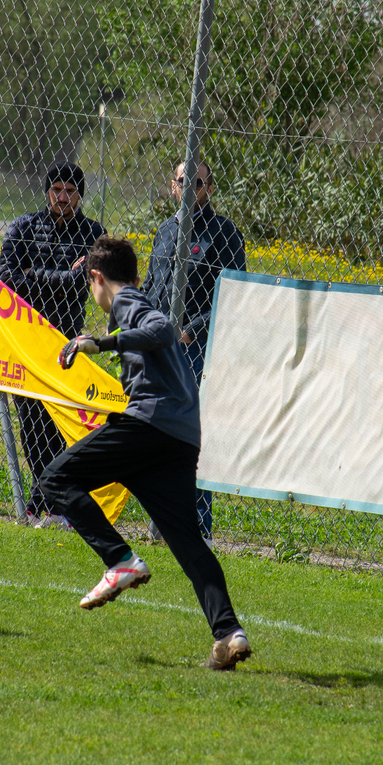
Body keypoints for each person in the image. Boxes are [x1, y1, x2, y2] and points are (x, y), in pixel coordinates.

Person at [39, 236, 253, 671]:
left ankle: (120, 561)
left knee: (56, 479)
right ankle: (229, 634)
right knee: (187, 542)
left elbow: (162, 330)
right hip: (179, 437)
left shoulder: (127, 302)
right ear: (136, 274)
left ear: (96, 278)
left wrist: (100, 343)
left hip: (151, 426)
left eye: (91, 285)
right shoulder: (135, 300)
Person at [140, 158, 246, 538]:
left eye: (197, 183)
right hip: (156, 348)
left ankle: (197, 526)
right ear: (173, 187)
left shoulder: (225, 234)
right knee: (155, 435)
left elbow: (233, 295)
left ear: (210, 189)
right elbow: (152, 286)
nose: (189, 189)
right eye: (183, 182)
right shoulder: (165, 231)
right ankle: (161, 521)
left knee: (189, 437)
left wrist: (190, 330)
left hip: (196, 351)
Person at [0, 163, 105, 525]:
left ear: (80, 195)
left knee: (57, 425)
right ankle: (44, 500)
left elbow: (83, 284)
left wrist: (34, 276)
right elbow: (8, 279)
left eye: (70, 191)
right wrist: (64, 277)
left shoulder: (93, 234)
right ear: (47, 192)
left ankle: (49, 505)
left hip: (65, 343)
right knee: (31, 427)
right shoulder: (23, 228)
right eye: (56, 189)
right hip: (26, 341)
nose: (62, 197)